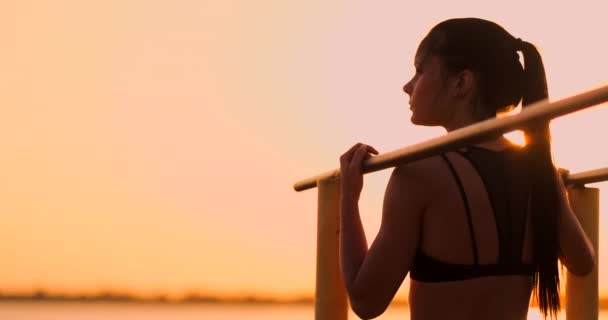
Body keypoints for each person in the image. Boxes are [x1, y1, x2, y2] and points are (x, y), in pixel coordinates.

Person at [338, 18, 595, 320]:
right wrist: (555, 189)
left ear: (461, 83)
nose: (407, 86)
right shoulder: (538, 170)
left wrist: (348, 197)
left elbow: (366, 302)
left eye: (420, 71)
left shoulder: (419, 174)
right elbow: (583, 262)